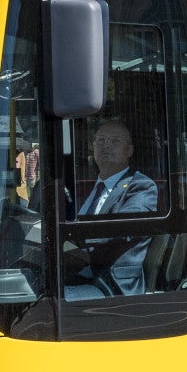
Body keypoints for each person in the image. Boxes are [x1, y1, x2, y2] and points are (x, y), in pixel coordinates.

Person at [64, 117, 158, 297]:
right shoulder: (84, 187)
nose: (106, 145)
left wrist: (80, 247)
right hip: (74, 273)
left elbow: (126, 226)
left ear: (129, 150)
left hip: (109, 286)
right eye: (101, 140)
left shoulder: (141, 186)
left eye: (115, 141)